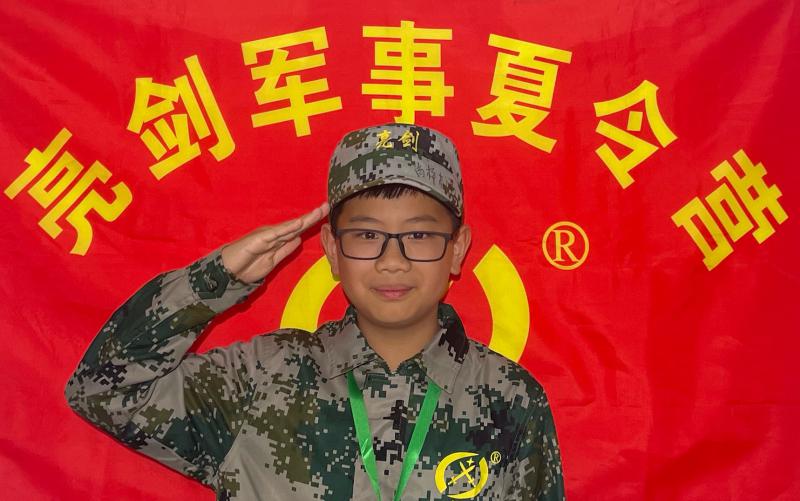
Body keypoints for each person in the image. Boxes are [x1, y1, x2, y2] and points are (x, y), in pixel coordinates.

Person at [65, 123, 565, 500]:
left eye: (419, 235)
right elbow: (103, 392)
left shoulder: (510, 398)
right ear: (331, 248)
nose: (392, 261)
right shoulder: (261, 377)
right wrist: (216, 280)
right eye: (366, 235)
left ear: (457, 249)